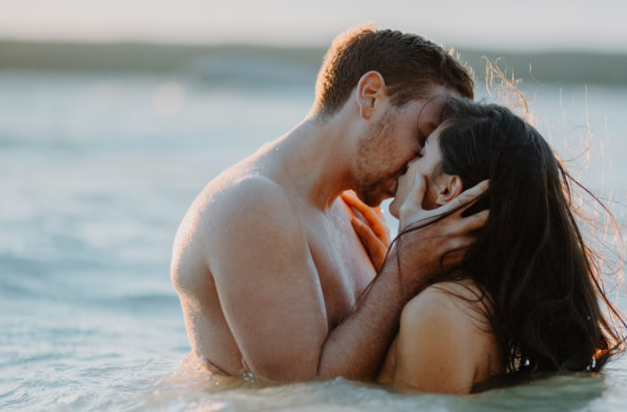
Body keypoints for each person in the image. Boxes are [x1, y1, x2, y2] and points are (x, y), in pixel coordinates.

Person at [171, 25, 488, 382]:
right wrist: (403, 269)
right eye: (424, 137)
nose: (423, 166)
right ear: (370, 96)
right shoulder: (252, 206)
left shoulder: (352, 213)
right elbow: (304, 394)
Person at [376, 97, 627, 394]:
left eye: (421, 154)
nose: (407, 162)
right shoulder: (482, 300)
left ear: (447, 189)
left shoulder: (437, 310)